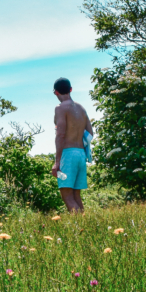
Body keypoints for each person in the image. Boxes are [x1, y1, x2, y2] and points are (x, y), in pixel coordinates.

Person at [51, 77, 93, 213]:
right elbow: (90, 134)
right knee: (76, 195)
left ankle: (77, 230)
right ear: (71, 90)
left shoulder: (60, 108)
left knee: (67, 196)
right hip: (81, 155)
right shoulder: (81, 108)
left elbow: (60, 135)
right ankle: (84, 226)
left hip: (68, 155)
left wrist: (57, 162)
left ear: (55, 92)